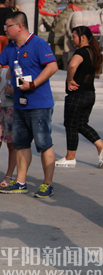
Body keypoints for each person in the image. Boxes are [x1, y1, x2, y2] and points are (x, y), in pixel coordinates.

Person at [0, 12, 58, 198]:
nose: (5, 29)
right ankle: (21, 182)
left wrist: (33, 84)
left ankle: (48, 184)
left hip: (39, 104)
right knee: (21, 144)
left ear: (19, 26)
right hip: (20, 104)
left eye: (8, 26)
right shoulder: (11, 47)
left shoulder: (38, 44)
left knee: (44, 144)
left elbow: (52, 66)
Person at [55, 26, 103, 168]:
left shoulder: (81, 51)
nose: (72, 39)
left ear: (82, 37)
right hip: (89, 94)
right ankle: (100, 146)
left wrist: (70, 80)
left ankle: (70, 157)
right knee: (81, 124)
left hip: (78, 95)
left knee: (70, 124)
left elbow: (72, 66)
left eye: (74, 36)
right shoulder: (94, 52)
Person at [0, 65, 17, 187]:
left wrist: (14, 91)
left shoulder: (18, 67)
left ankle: (9, 174)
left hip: (11, 107)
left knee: (11, 144)